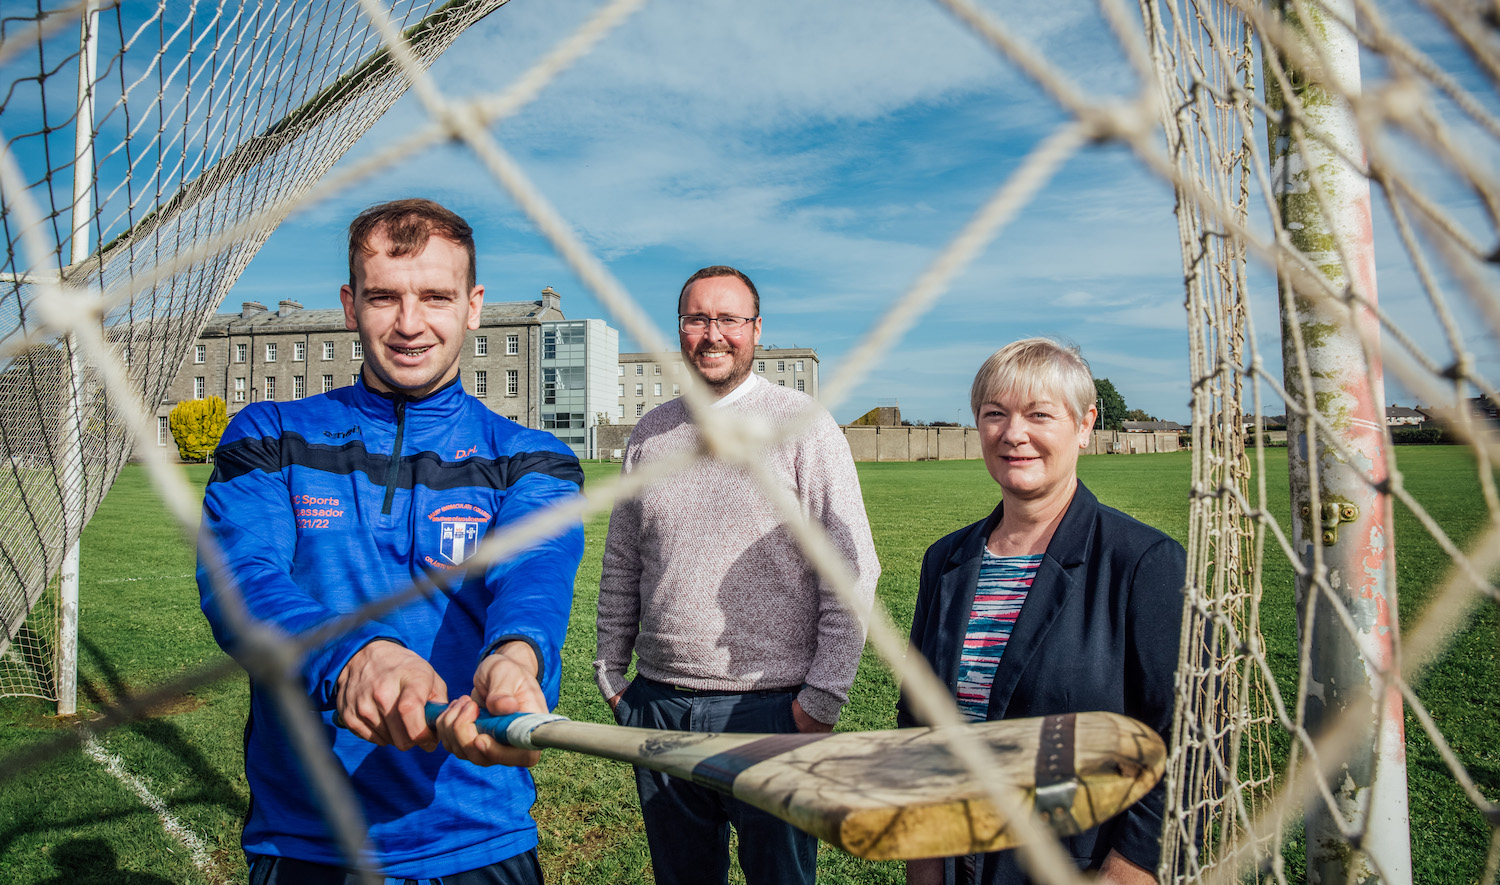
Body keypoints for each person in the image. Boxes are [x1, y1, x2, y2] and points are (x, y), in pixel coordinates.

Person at [197, 199, 585, 883]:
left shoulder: (532, 457)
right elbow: (243, 580)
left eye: (436, 296)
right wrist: (355, 655)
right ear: (351, 304)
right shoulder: (268, 436)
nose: (410, 324)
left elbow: (535, 571)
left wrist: (516, 658)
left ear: (473, 305)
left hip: (478, 835)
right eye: (384, 297)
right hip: (308, 840)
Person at [593, 265, 881, 885]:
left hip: (772, 712)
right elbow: (622, 560)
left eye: (729, 319)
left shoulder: (803, 424)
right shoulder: (650, 433)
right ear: (680, 330)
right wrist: (613, 676)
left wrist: (820, 701)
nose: (712, 334)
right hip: (660, 708)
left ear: (755, 330)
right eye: (697, 319)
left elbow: (854, 565)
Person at [897, 338, 1185, 885]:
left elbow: (1184, 738)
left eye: (1039, 414)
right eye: (995, 414)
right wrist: (925, 862)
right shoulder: (946, 560)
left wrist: (1130, 870)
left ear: (1084, 424)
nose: (1014, 434)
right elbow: (919, 720)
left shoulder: (1144, 563)